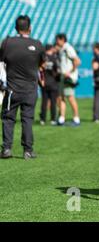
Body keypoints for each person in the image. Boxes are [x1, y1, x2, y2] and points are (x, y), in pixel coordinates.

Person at [0, 15, 45, 159]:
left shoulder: (7, 42)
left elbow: (1, 62)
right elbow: (42, 65)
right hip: (31, 90)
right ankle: (28, 151)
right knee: (27, 119)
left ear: (15, 28)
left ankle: (6, 149)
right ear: (30, 28)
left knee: (8, 119)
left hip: (11, 89)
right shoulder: (37, 44)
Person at [55, 33, 81, 126]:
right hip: (63, 76)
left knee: (70, 97)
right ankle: (61, 118)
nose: (56, 42)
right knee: (62, 97)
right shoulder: (63, 49)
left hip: (68, 77)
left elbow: (77, 61)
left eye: (57, 40)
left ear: (62, 40)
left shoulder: (68, 48)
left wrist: (70, 72)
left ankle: (76, 118)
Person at [39, 44, 60, 126]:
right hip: (53, 83)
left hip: (44, 82)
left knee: (44, 102)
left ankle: (42, 119)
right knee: (53, 102)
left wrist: (41, 80)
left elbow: (40, 69)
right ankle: (53, 119)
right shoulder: (54, 58)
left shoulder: (42, 58)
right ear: (51, 49)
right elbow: (57, 71)